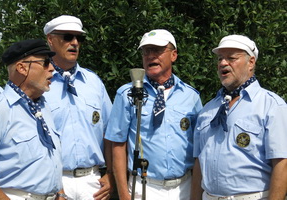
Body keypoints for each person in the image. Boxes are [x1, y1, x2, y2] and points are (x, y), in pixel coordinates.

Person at [105, 29, 203, 200]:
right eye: (146, 51)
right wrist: (123, 194)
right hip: (144, 188)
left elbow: (199, 149)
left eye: (157, 50)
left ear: (173, 55)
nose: (150, 56)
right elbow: (118, 145)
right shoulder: (127, 94)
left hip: (184, 187)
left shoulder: (191, 96)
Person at [191, 35, 287, 200]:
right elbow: (199, 163)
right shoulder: (208, 109)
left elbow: (282, 164)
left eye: (231, 58)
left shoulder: (271, 106)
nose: (223, 63)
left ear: (251, 62)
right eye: (220, 58)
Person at [43, 15, 113, 200]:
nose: (74, 43)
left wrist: (111, 174)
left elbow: (111, 132)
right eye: (67, 37)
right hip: (52, 183)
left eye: (79, 38)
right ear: (50, 40)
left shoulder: (94, 82)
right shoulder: (39, 83)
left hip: (92, 182)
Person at [0, 39, 67, 199]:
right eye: (45, 62)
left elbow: (49, 159)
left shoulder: (43, 107)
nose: (52, 68)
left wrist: (60, 193)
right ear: (22, 68)